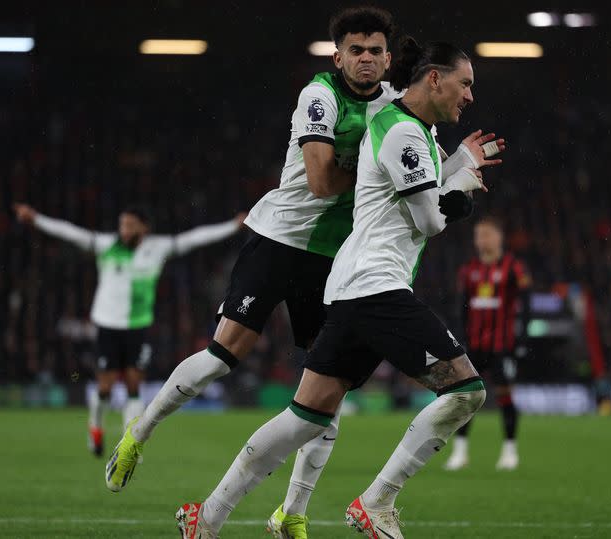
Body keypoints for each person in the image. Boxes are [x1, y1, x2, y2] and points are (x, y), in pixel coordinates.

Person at [173, 37, 505, 539]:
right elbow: (432, 220)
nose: (470, 96)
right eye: (466, 83)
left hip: (351, 288)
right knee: (466, 390)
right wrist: (462, 189)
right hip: (376, 287)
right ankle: (377, 501)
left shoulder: (404, 128)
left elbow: (427, 192)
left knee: (305, 418)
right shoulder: (403, 135)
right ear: (434, 78)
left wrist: (461, 166)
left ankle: (208, 516)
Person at [107, 7, 404, 539]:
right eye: (355, 50)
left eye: (375, 51)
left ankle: (291, 513)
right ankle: (139, 432)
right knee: (224, 357)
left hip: (333, 260)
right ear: (338, 56)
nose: (366, 59)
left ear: (388, 58)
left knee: (327, 387)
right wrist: (382, 173)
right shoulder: (319, 96)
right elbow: (318, 181)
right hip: (278, 241)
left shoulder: (393, 107)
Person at [12, 203, 246, 456]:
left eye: (130, 225)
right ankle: (95, 428)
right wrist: (36, 219)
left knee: (135, 385)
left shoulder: (158, 248)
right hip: (107, 326)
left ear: (144, 228)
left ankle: (127, 444)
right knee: (105, 387)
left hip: (138, 327)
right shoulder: (106, 245)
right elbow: (69, 232)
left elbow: (195, 238)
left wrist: (232, 226)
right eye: (122, 224)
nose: (124, 230)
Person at [443, 215, 532, 471]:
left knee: (505, 396)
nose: (482, 240)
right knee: (466, 398)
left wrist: (522, 339)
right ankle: (460, 452)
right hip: (473, 346)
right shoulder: (469, 270)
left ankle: (509, 451)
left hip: (502, 346)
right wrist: (459, 338)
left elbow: (525, 306)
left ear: (498, 238)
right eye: (478, 235)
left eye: (486, 235)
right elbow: (459, 308)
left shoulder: (513, 267)